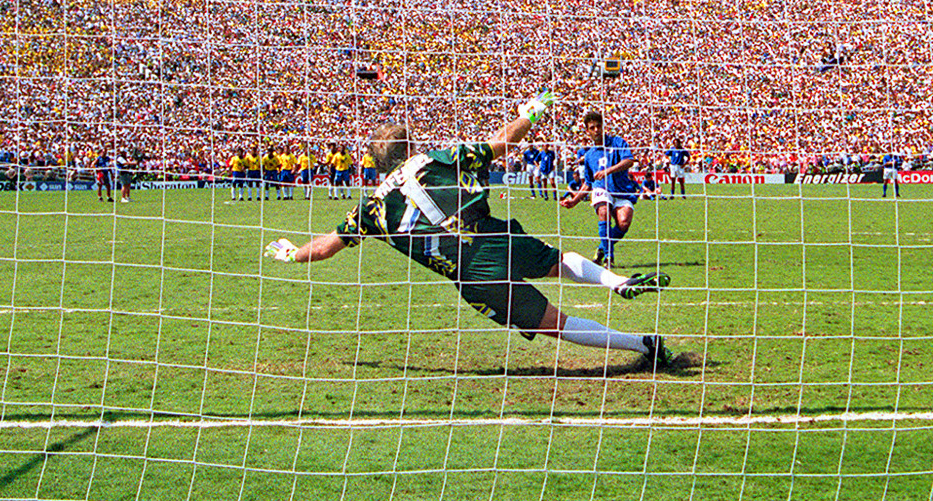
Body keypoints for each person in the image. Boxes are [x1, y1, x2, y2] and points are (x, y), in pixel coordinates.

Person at [265, 91, 676, 371]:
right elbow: (501, 143)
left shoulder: (371, 208)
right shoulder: (433, 159)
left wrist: (293, 253)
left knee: (555, 322)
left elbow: (324, 249)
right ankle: (616, 281)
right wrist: (530, 114)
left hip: (470, 273)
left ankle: (641, 344)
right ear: (410, 148)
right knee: (559, 261)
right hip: (491, 235)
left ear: (377, 163)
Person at [560, 108, 639, 267]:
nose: (596, 130)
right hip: (601, 189)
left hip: (621, 190)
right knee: (604, 212)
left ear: (603, 126)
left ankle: (602, 248)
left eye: (598, 126)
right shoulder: (589, 155)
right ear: (587, 131)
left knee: (623, 223)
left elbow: (629, 161)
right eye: (592, 128)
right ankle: (610, 258)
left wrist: (608, 170)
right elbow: (588, 183)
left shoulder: (617, 142)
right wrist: (574, 200)